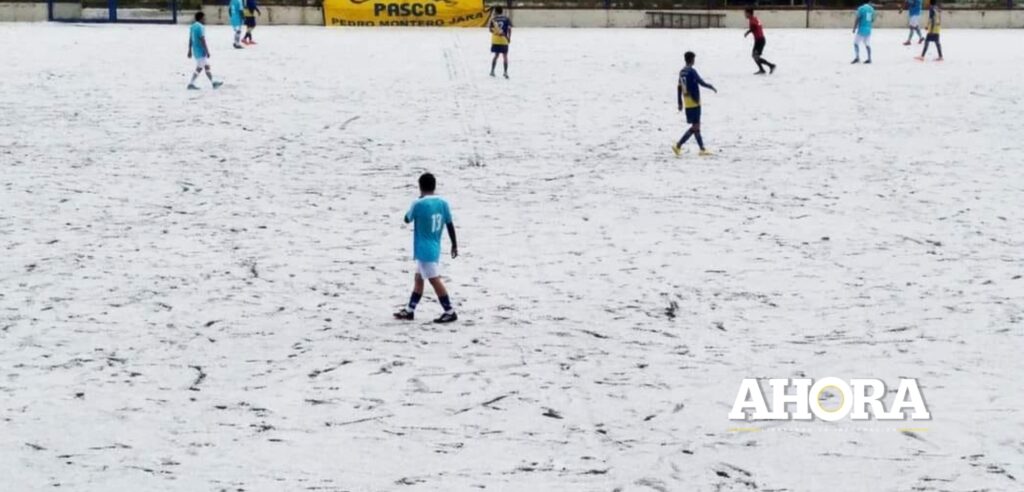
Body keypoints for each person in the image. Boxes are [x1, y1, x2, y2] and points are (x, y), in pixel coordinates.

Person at [394, 173, 459, 324]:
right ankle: (410, 310)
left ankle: (449, 311)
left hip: (423, 249)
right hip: (435, 246)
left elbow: (407, 219)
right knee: (418, 278)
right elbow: (449, 224)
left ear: (420, 186)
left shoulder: (418, 203)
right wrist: (454, 244)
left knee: (434, 280)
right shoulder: (443, 203)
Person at [672, 51, 717, 157]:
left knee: (696, 126)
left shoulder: (682, 72)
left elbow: (679, 87)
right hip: (695, 102)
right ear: (692, 60)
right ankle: (678, 145)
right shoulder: (692, 71)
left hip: (687, 102)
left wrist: (680, 102)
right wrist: (711, 86)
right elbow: (701, 82)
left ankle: (702, 149)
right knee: (696, 126)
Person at [187, 12, 223, 90]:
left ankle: (213, 82)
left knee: (206, 66)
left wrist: (189, 50)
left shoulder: (192, 26)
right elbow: (202, 40)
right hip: (200, 50)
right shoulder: (201, 27)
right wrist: (207, 50)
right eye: (204, 18)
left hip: (195, 49)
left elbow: (190, 38)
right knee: (200, 68)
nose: (205, 19)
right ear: (201, 18)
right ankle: (191, 83)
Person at [744, 8, 776, 75]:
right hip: (759, 40)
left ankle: (771, 66)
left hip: (760, 40)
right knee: (755, 56)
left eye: (745, 13)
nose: (745, 15)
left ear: (749, 13)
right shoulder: (754, 18)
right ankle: (762, 69)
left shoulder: (752, 20)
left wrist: (747, 32)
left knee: (755, 56)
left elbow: (754, 27)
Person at [489, 7, 512, 78]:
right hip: (504, 39)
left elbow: (490, 30)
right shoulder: (506, 19)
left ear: (496, 12)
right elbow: (509, 29)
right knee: (505, 56)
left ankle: (492, 71)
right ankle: (505, 72)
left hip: (495, 40)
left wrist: (497, 32)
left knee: (496, 55)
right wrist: (509, 38)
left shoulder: (493, 19)